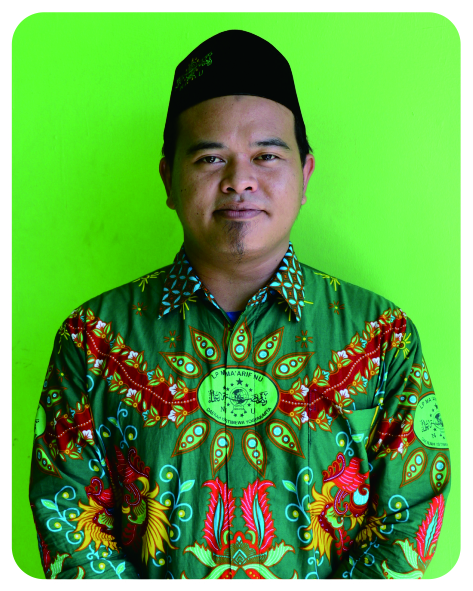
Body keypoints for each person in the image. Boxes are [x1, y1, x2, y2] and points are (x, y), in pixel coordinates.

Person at [29, 29, 451, 579]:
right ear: (169, 178)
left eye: (266, 155)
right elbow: (68, 521)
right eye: (210, 158)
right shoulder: (92, 341)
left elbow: (410, 517)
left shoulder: (381, 337)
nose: (240, 181)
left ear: (305, 174)